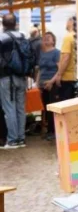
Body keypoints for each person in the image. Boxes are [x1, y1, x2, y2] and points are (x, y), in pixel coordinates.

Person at [0, 14, 34, 149]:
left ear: (3, 24)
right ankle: (21, 138)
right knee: (20, 108)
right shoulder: (22, 37)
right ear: (15, 24)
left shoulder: (2, 38)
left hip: (6, 78)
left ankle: (12, 140)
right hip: (22, 77)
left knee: (9, 108)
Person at [37, 32, 60, 140]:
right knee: (45, 108)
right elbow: (39, 70)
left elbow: (59, 70)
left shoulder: (56, 53)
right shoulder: (41, 53)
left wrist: (51, 82)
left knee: (52, 108)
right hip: (42, 84)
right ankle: (47, 129)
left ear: (53, 40)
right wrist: (37, 83)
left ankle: (53, 131)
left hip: (52, 83)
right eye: (44, 37)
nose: (46, 39)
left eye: (49, 37)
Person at [52, 16, 77, 103]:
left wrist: (59, 74)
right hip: (76, 76)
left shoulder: (68, 37)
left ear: (71, 22)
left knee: (65, 104)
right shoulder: (77, 37)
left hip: (67, 78)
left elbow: (66, 57)